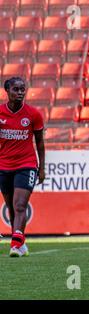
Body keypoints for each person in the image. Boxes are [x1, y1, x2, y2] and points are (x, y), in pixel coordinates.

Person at [0, 77, 45, 257]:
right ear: (7, 91)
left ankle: (15, 244)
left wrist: (41, 168)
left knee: (20, 205)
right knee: (11, 206)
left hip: (26, 164)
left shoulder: (33, 114)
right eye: (16, 89)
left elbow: (40, 143)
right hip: (3, 165)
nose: (20, 93)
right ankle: (21, 242)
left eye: (22, 89)